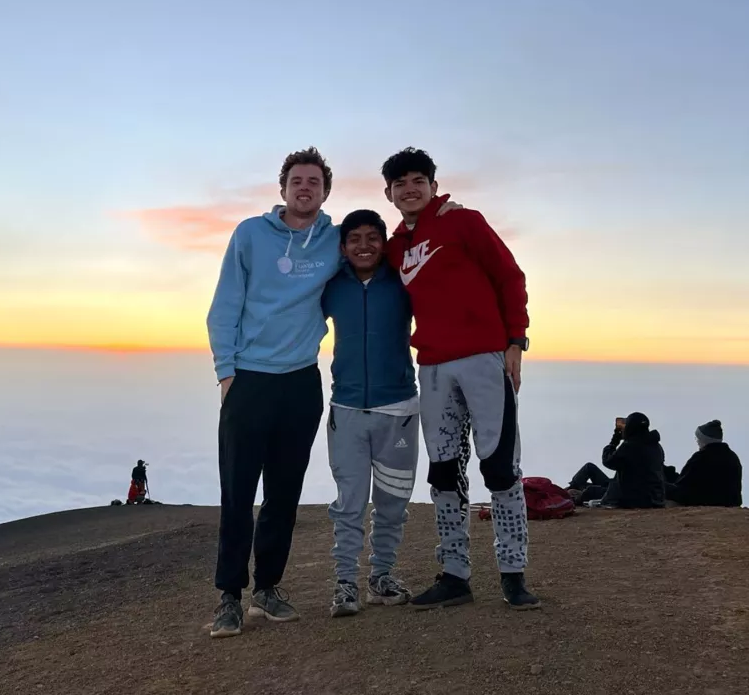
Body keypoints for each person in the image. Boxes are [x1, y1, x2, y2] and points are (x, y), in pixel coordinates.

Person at [205, 148, 464, 639]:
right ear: (283, 188)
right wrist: (226, 373)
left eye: (314, 183)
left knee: (284, 491)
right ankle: (229, 597)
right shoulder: (250, 234)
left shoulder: (333, 240)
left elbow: (395, 248)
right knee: (237, 493)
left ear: (325, 191)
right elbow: (223, 308)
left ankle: (268, 589)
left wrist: (439, 213)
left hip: (303, 381)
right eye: (297, 181)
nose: (305, 189)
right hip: (249, 378)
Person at [382, 147, 540, 611]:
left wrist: (516, 340)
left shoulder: (464, 221)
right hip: (431, 366)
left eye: (418, 180)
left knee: (500, 467)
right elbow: (364, 255)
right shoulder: (397, 248)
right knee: (445, 473)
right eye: (400, 184)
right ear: (390, 194)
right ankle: (455, 574)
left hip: (484, 358)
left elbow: (510, 276)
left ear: (433, 184)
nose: (409, 189)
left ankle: (513, 574)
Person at [322, 209, 420, 617]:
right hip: (346, 409)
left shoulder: (405, 282)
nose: (364, 245)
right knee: (349, 502)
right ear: (343, 247)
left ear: (384, 242)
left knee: (393, 501)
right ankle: (345, 584)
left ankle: (381, 576)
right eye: (355, 239)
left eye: (372, 237)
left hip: (398, 409)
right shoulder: (329, 286)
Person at [568, 414, 666, 508]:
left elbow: (608, 461)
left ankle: (567, 493)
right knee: (589, 468)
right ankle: (571, 489)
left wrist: (614, 442)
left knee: (590, 490)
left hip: (632, 496)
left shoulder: (630, 446)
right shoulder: (657, 447)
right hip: (651, 495)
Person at [666, 420, 743, 507]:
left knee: (662, 490)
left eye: (698, 439)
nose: (697, 441)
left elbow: (683, 484)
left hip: (704, 501)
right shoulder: (733, 457)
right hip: (730, 502)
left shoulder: (701, 457)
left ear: (704, 440)